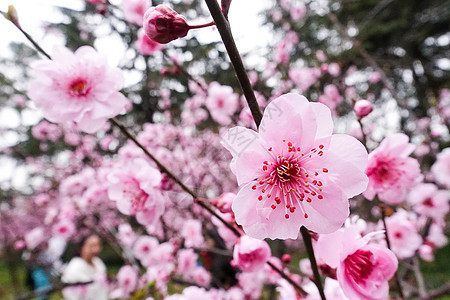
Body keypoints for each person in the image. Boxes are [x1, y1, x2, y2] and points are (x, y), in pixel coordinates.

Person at [61, 234, 109, 300]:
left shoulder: (98, 262)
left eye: (98, 245)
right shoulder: (75, 265)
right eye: (91, 246)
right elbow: (69, 292)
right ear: (81, 247)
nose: (96, 249)